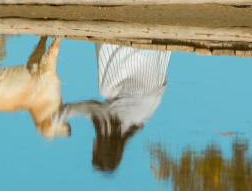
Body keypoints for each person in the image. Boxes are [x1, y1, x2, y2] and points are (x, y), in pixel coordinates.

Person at [52, 44, 171, 172]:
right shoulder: (110, 127)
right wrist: (58, 117)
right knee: (105, 91)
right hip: (140, 63)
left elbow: (94, 112)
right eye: (95, 149)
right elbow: (90, 109)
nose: (93, 144)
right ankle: (112, 41)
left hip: (155, 66)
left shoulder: (133, 127)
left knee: (112, 94)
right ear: (103, 148)